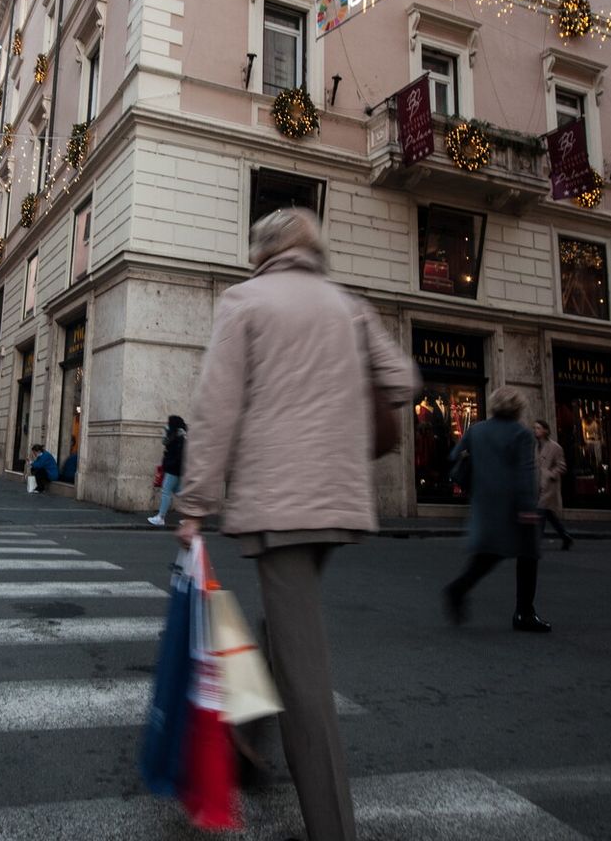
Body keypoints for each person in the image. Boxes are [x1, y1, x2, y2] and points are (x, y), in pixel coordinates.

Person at [173, 208, 420, 841]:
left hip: (280, 504)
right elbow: (402, 380)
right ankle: (245, 736)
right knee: (288, 628)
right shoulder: (349, 305)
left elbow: (215, 406)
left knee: (306, 681)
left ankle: (333, 827)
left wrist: (194, 502)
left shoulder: (245, 302)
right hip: (338, 500)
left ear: (261, 251)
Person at [443, 386, 550, 634]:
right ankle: (524, 612)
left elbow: (454, 455)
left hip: (485, 502)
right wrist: (528, 506)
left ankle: (458, 588)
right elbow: (525, 472)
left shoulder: (476, 429)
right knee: (528, 555)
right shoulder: (521, 434)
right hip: (513, 504)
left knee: (488, 555)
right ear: (517, 407)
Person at [532, 420, 573, 551]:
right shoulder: (535, 447)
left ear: (545, 430)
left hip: (549, 486)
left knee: (541, 511)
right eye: (534, 428)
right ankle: (565, 536)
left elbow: (562, 466)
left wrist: (551, 474)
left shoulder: (555, 447)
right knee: (548, 514)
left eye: (538, 428)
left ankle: (535, 543)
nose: (535, 430)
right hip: (538, 483)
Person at [147, 416, 187, 527]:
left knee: (166, 491)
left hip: (173, 469)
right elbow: (165, 442)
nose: (167, 425)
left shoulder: (179, 438)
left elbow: (178, 456)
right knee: (179, 492)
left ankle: (161, 517)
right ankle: (190, 516)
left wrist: (169, 465)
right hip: (175, 469)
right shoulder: (176, 436)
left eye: (169, 423)